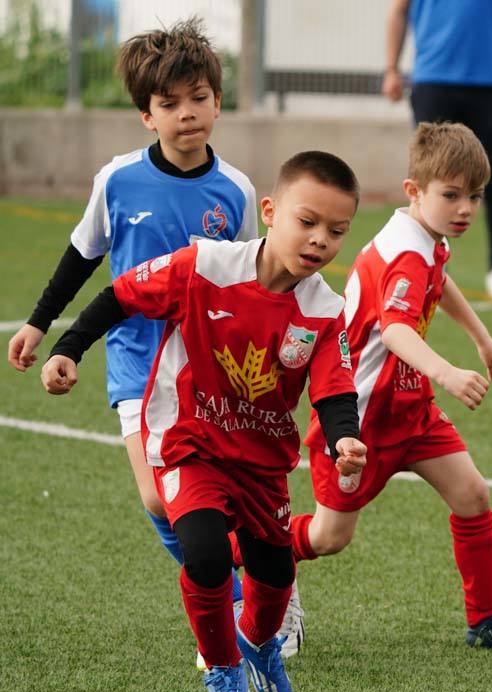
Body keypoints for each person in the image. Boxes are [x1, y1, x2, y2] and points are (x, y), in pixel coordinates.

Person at [41, 152, 367, 692]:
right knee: (208, 554)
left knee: (273, 573)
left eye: (337, 231)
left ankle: (258, 640)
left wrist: (345, 438)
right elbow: (121, 295)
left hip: (262, 460)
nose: (320, 240)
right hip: (187, 438)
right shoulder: (207, 265)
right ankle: (222, 669)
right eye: (307, 222)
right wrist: (70, 347)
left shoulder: (325, 310)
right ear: (269, 212)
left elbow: (335, 390)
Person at [2, 19, 303, 646]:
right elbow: (82, 255)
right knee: (160, 500)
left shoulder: (237, 190)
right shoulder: (118, 180)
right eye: (170, 104)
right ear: (147, 115)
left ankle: (265, 593)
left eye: (199, 98)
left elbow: (247, 278)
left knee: (227, 494)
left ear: (218, 102)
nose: (187, 114)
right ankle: (245, 598)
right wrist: (40, 324)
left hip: (210, 368)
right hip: (138, 362)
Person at [281, 122, 492, 652]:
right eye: (451, 195)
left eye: (474, 196)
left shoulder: (423, 238)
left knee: (472, 494)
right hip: (359, 421)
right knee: (329, 538)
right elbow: (396, 328)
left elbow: (441, 280)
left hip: (411, 411)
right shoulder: (406, 252)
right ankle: (253, 553)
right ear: (415, 191)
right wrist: (447, 372)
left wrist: (483, 338)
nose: (466, 208)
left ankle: (487, 619)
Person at [382, 0, 492, 301]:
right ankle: (417, 262)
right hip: (433, 80)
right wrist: (391, 68)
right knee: (428, 180)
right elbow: (398, 9)